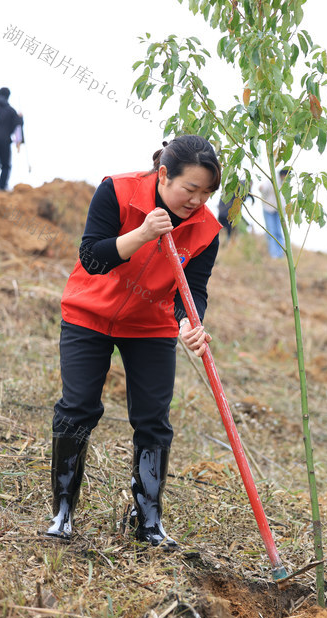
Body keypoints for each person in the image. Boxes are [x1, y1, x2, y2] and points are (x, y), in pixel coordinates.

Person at [48, 136, 222, 548]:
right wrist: (143, 233)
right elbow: (92, 257)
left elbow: (193, 290)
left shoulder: (206, 229)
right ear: (163, 174)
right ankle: (63, 510)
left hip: (151, 326)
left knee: (153, 421)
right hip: (88, 315)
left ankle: (148, 519)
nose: (197, 201)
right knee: (78, 408)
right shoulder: (117, 190)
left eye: (207, 193)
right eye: (190, 189)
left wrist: (188, 322)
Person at [258, 169, 288, 258]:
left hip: (280, 211)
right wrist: (261, 188)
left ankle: (280, 254)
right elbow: (263, 188)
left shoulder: (286, 184)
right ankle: (273, 254)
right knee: (271, 232)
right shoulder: (272, 180)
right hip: (268, 209)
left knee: (279, 232)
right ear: (282, 174)